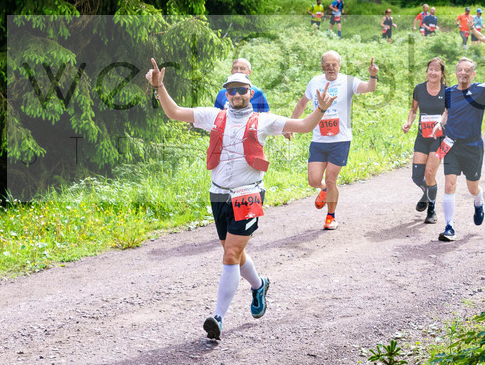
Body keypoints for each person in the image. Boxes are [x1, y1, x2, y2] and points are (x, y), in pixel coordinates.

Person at [145, 62, 336, 340]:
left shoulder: (264, 120)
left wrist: (319, 109)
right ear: (225, 94)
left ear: (250, 92)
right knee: (233, 253)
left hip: (248, 195)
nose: (236, 95)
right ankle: (259, 285)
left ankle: (218, 318)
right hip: (219, 193)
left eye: (242, 90)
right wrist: (159, 87)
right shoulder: (213, 116)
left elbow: (305, 126)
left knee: (230, 255)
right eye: (231, 90)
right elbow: (174, 112)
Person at [286, 51, 379, 229]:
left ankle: (331, 216)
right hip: (319, 139)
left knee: (331, 179)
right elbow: (302, 104)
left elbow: (370, 88)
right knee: (313, 180)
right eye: (327, 65)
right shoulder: (315, 82)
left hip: (341, 140)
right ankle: (324, 190)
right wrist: (291, 126)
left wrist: (373, 75)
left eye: (334, 64)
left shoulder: (348, 81)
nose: (331, 68)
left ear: (339, 66)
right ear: (322, 66)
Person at [436, 46, 485, 241]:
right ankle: (449, 227)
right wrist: (439, 124)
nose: (463, 73)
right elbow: (448, 112)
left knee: (472, 188)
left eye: (467, 70)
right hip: (450, 144)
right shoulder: (449, 92)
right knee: (449, 184)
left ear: (473, 73)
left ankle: (478, 200)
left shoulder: (480, 90)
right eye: (460, 70)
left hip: (473, 146)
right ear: (456, 72)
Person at [401, 58, 447, 223]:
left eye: (436, 70)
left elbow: (448, 113)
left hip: (440, 138)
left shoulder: (447, 91)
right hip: (422, 137)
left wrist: (440, 124)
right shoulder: (419, 89)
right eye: (430, 69)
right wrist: (408, 122)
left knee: (430, 173)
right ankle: (428, 192)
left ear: (442, 73)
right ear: (427, 71)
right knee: (417, 176)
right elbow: (413, 111)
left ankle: (432, 211)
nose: (433, 72)